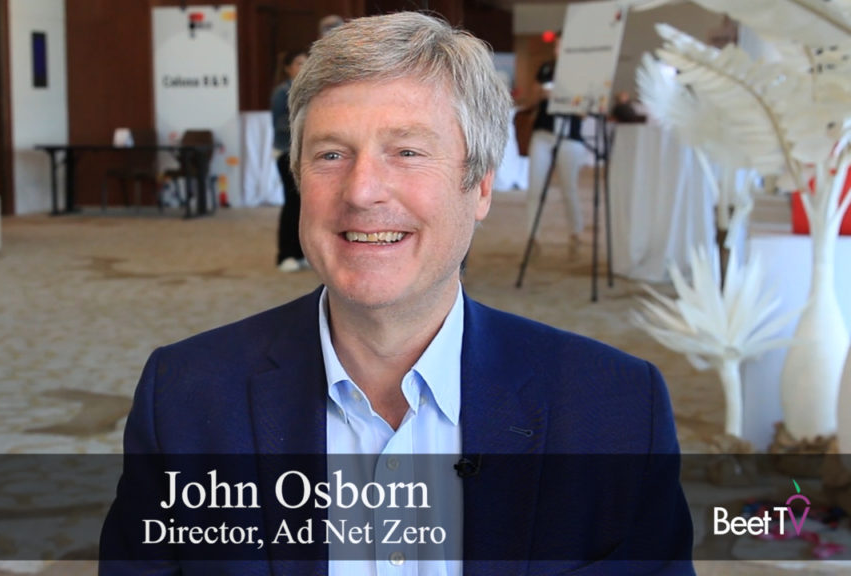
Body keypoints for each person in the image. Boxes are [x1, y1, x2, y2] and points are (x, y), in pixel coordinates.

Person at [100, 12, 693, 575]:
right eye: (332, 154)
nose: (362, 191)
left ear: (481, 187)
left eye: (407, 152)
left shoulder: (613, 410)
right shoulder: (186, 398)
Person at [524, 32, 588, 259]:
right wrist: (541, 94)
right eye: (557, 46)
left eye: (562, 46)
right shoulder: (547, 69)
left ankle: (576, 233)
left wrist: (563, 96)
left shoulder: (582, 73)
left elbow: (583, 112)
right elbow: (531, 100)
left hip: (569, 135)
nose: (558, 50)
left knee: (569, 187)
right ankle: (533, 236)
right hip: (543, 133)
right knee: (535, 187)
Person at [272, 49, 309, 272]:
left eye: (306, 62)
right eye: (298, 63)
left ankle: (302, 252)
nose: (303, 67)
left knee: (306, 205)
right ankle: (285, 254)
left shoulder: (312, 90)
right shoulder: (281, 93)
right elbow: (279, 125)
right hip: (287, 153)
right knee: (291, 203)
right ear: (287, 68)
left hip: (307, 154)